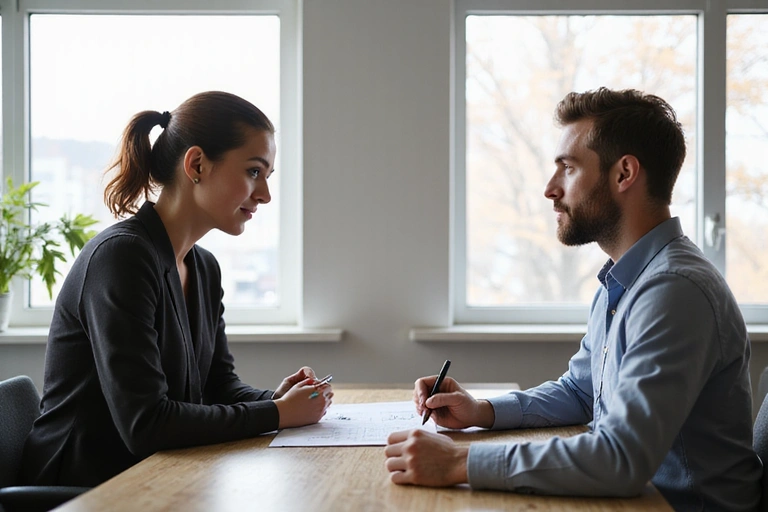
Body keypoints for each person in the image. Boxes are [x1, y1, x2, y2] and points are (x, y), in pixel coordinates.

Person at [384, 87, 762, 511]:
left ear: (624, 174)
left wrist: (459, 462)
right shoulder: (623, 281)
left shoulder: (675, 290)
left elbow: (621, 459)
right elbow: (582, 393)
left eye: (567, 168)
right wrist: (481, 411)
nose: (550, 189)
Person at [21, 91, 333, 487]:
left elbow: (218, 387)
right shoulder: (121, 258)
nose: (265, 195)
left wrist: (275, 400)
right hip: (80, 489)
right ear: (197, 164)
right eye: (254, 172)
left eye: (267, 177)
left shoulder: (204, 268)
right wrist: (278, 414)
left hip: (156, 478)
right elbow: (147, 424)